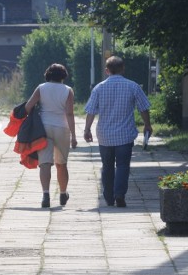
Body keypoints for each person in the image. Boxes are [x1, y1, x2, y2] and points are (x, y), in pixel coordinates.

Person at [83, 56, 153, 207]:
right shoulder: (133, 86)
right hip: (125, 135)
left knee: (107, 166)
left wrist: (87, 129)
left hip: (105, 135)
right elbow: (143, 108)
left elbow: (91, 111)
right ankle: (119, 194)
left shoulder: (99, 88)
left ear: (107, 71)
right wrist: (147, 125)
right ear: (123, 69)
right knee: (122, 165)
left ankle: (108, 197)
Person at [25, 63, 78, 208]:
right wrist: (73, 136)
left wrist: (34, 116)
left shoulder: (41, 88)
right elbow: (69, 113)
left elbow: (28, 106)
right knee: (61, 164)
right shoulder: (68, 90)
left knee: (45, 163)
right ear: (64, 76)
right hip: (62, 128)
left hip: (44, 128)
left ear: (48, 74)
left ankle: (46, 194)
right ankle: (62, 193)